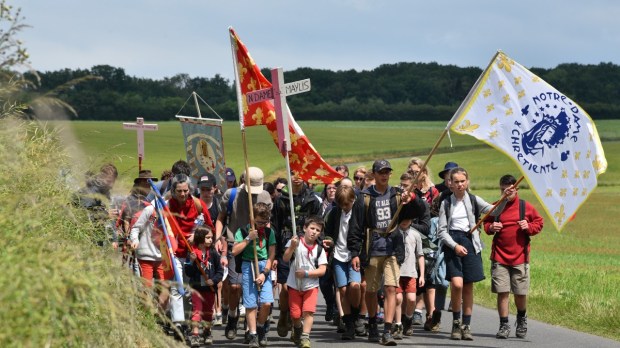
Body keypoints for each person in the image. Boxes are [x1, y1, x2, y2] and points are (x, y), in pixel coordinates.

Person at [361, 159, 426, 345]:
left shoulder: (397, 195)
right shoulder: (365, 197)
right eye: (381, 171)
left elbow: (420, 210)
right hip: (372, 249)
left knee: (391, 288)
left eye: (387, 171)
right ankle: (373, 322)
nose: (384, 174)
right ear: (374, 174)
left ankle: (387, 330)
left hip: (392, 249)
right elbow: (357, 227)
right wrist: (356, 253)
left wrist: (411, 199)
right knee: (372, 290)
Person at [484, 175, 544, 339]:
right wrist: (491, 227)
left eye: (509, 190)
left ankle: (521, 319)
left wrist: (528, 226)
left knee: (520, 293)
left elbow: (539, 223)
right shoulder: (496, 206)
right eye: (503, 190)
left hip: (520, 258)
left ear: (515, 189)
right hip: (499, 257)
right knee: (502, 292)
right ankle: (504, 325)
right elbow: (485, 223)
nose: (506, 193)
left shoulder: (525, 207)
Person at [216, 167, 272, 341]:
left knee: (256, 289)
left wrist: (268, 245)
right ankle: (232, 317)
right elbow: (221, 217)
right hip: (236, 242)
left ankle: (252, 328)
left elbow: (267, 223)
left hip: (258, 246)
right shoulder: (231, 194)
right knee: (235, 287)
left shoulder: (265, 197)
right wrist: (218, 238)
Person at [437, 167, 492, 341]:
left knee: (468, 286)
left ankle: (466, 326)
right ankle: (455, 322)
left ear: (467, 182)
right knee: (457, 284)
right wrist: (454, 246)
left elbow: (494, 210)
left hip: (470, 242)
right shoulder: (446, 203)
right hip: (453, 243)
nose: (460, 184)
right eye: (456, 182)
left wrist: (505, 198)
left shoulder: (474, 200)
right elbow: (441, 231)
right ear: (450, 184)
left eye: (463, 181)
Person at [272, 171, 321, 338]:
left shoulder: (312, 199)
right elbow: (276, 226)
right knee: (286, 288)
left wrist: (320, 244)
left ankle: (297, 326)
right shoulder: (281, 199)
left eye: (300, 173)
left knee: (302, 287)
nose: (297, 177)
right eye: (293, 173)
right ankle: (285, 314)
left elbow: (319, 223)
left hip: (306, 247)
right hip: (287, 245)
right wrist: (276, 254)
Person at [167, 174, 215, 337]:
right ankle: (179, 324)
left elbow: (210, 228)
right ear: (173, 190)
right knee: (177, 288)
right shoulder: (168, 205)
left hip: (194, 255)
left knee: (190, 290)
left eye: (185, 190)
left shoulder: (198, 205)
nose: (182, 194)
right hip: (175, 253)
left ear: (190, 190)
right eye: (179, 191)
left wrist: (197, 236)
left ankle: (188, 322)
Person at [232, 202, 276, 348]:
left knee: (266, 302)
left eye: (265, 222)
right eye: (259, 222)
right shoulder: (243, 231)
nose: (262, 225)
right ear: (252, 218)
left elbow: (271, 255)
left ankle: (261, 326)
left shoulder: (270, 233)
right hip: (248, 265)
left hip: (264, 266)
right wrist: (248, 238)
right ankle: (253, 334)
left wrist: (264, 274)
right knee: (251, 304)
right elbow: (234, 251)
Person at [324, 185, 364, 340]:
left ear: (353, 200)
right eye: (341, 204)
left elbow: (361, 234)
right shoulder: (334, 213)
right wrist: (329, 241)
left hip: (354, 255)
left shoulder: (359, 212)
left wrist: (358, 253)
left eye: (346, 204)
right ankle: (349, 325)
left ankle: (355, 314)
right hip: (338, 256)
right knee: (342, 290)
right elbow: (328, 233)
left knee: (355, 286)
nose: (344, 207)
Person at [283, 216, 329, 348]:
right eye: (312, 228)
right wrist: (291, 247)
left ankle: (305, 337)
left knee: (308, 312)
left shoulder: (319, 249)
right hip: (294, 285)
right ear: (305, 228)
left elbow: (322, 270)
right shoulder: (296, 242)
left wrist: (307, 273)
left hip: (311, 286)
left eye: (318, 230)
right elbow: (286, 258)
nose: (314, 232)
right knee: (295, 314)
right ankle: (297, 328)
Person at [185, 226, 224, 346]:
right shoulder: (192, 253)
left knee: (208, 312)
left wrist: (214, 280)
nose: (210, 240)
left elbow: (220, 271)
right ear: (200, 237)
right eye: (207, 237)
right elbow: (188, 272)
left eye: (211, 237)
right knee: (197, 311)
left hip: (209, 289)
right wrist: (191, 262)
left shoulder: (213, 254)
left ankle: (207, 331)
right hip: (197, 288)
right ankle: (195, 335)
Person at [395, 201, 425, 337]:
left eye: (408, 219)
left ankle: (408, 319)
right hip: (396, 272)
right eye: (402, 219)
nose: (405, 222)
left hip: (411, 272)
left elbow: (420, 255)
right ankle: (398, 324)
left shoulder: (416, 235)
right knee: (398, 299)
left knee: (412, 299)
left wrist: (422, 275)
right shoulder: (393, 233)